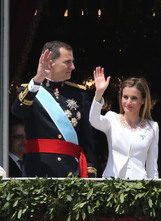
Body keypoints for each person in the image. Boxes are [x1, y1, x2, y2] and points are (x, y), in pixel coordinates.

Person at [11, 41, 97, 177]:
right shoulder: (30, 90)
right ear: (51, 63)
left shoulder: (79, 94)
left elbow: (87, 138)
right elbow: (17, 111)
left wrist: (90, 170)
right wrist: (38, 79)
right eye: (67, 62)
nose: (73, 67)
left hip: (71, 172)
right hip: (38, 171)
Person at [90, 67, 159, 179]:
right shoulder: (112, 119)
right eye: (125, 97)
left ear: (143, 100)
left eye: (134, 98)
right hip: (112, 184)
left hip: (139, 187)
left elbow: (152, 167)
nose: (128, 102)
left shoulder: (152, 127)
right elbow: (94, 120)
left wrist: (154, 192)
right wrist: (99, 94)